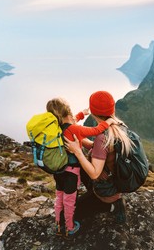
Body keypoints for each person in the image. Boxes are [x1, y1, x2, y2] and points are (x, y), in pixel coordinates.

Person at [46, 97, 115, 236]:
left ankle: (59, 224)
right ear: (68, 112)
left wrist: (82, 114)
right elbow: (96, 130)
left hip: (58, 171)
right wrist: (109, 121)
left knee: (59, 197)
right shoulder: (74, 129)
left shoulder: (56, 129)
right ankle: (69, 228)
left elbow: (73, 121)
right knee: (70, 201)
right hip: (71, 173)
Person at [64, 90, 133, 224]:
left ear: (94, 112)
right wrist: (77, 138)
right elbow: (98, 149)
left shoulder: (103, 138)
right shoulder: (118, 126)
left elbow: (95, 173)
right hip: (114, 182)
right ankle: (101, 198)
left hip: (106, 191)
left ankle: (113, 206)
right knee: (78, 166)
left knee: (67, 214)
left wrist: (77, 151)